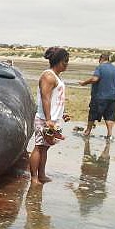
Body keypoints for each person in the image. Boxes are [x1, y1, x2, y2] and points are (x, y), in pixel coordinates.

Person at [29, 47, 69, 185]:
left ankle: (42, 174)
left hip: (52, 119)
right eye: (65, 61)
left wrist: (63, 114)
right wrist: (48, 120)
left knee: (45, 147)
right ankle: (34, 177)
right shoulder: (48, 76)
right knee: (39, 146)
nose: (67, 64)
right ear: (57, 61)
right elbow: (45, 98)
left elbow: (56, 98)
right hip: (44, 119)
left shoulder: (57, 77)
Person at [79, 53, 115, 139]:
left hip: (99, 96)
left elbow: (95, 79)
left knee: (92, 114)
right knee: (110, 116)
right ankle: (109, 135)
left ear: (101, 59)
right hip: (113, 97)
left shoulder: (100, 67)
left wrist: (84, 83)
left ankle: (87, 131)